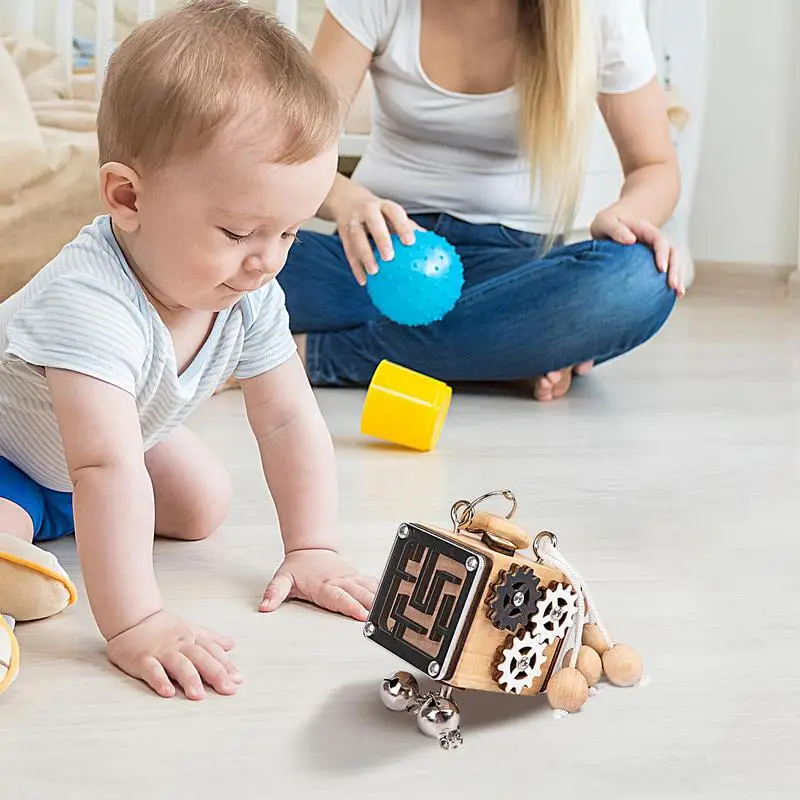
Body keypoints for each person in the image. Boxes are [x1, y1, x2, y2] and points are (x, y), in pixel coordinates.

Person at [0, 0, 376, 701]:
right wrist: (136, 621)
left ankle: (46, 530)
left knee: (203, 505)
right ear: (127, 197)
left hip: (100, 442)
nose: (268, 261)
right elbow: (103, 466)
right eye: (239, 232)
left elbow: (289, 419)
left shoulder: (248, 288)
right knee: (31, 510)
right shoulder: (89, 303)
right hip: (16, 448)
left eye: (290, 232)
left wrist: (312, 547)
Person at [278, 0, 685, 401]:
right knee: (241, 259)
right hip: (382, 256)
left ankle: (314, 356)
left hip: (514, 271)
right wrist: (348, 199)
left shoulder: (600, 10)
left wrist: (624, 216)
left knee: (640, 278)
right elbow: (298, 152)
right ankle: (496, 353)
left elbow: (655, 166)